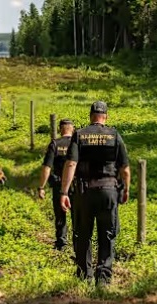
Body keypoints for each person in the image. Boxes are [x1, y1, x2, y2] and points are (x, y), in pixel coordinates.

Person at [59, 101, 130, 286]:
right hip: (109, 191)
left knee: (83, 234)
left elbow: (71, 164)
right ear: (105, 116)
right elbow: (125, 168)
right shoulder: (114, 135)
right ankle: (104, 280)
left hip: (84, 192)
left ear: (91, 116)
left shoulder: (79, 135)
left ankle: (85, 276)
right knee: (107, 234)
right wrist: (126, 189)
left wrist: (64, 192)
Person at [38, 119, 75, 251]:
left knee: (60, 215)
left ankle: (62, 243)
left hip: (59, 184)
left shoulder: (55, 144)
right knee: (77, 214)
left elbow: (46, 167)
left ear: (60, 129)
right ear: (73, 129)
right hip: (76, 184)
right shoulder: (78, 143)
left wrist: (41, 187)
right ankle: (78, 243)